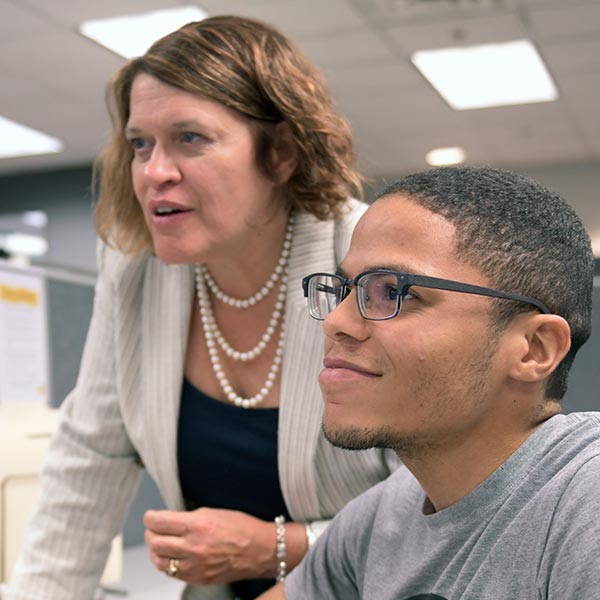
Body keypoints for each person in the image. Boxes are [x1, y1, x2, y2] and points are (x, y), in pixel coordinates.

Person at [4, 15, 400, 600]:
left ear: (282, 152)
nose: (154, 171)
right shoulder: (135, 266)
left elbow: (441, 509)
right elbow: (91, 454)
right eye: (141, 144)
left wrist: (277, 548)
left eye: (190, 138)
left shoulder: (368, 265)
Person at [258, 165, 599, 599]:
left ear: (534, 348)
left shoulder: (586, 502)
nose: (337, 321)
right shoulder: (382, 517)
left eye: (394, 291)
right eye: (345, 289)